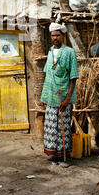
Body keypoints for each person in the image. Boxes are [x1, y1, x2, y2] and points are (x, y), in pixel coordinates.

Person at [41, 22, 79, 168]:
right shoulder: (50, 51)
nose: (55, 37)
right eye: (52, 35)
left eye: (57, 35)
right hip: (51, 95)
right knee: (51, 126)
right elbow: (48, 75)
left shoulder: (69, 52)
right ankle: (53, 155)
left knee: (63, 127)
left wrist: (68, 98)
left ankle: (63, 156)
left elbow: (73, 76)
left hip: (63, 95)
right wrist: (44, 97)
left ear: (62, 36)